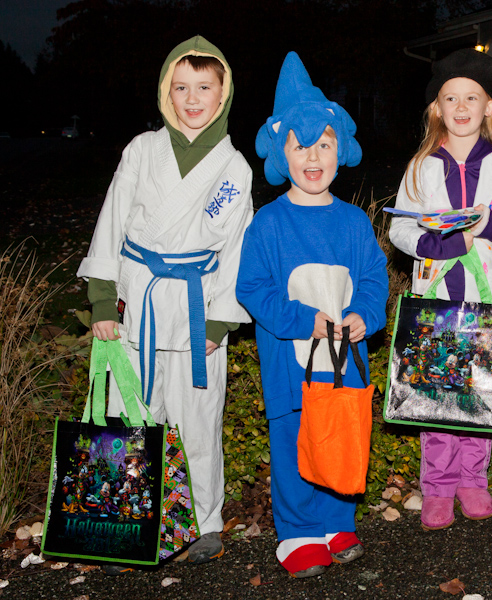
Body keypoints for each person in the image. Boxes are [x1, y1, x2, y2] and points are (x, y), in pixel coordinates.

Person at [76, 36, 253, 571]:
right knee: (130, 413)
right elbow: (111, 221)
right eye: (181, 87)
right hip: (139, 305)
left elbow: (235, 247)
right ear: (165, 93)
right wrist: (104, 299)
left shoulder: (234, 167)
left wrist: (220, 320)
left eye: (204, 87)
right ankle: (126, 518)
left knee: (198, 419)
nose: (192, 98)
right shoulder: (141, 150)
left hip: (199, 310)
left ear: (222, 94)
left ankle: (203, 522)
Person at [236, 52, 388, 579]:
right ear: (283, 154)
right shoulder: (268, 224)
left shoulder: (352, 222)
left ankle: (335, 521)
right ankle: (298, 531)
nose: (314, 157)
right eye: (301, 147)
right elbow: (251, 288)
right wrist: (305, 320)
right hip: (290, 362)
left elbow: (373, 278)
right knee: (295, 441)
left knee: (342, 435)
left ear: (339, 149)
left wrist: (366, 313)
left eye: (324, 145)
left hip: (345, 362)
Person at [389, 49, 492, 531]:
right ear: (436, 107)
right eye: (450, 97)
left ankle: (474, 480)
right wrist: (431, 241)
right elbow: (400, 230)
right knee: (438, 394)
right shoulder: (422, 166)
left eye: (471, 97)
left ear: (489, 107)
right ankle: (437, 486)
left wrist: (491, 224)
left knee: (479, 391)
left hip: (486, 295)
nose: (460, 106)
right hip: (440, 296)